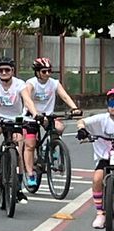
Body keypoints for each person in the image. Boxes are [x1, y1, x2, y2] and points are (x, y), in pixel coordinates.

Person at [0, 55, 37, 194]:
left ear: (12, 70)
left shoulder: (20, 84)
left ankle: (18, 184)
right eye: (1, 70)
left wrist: (36, 114)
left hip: (15, 119)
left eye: (7, 70)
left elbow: (27, 100)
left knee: (18, 148)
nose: (4, 73)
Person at [23, 57, 78, 192]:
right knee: (30, 145)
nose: (47, 74)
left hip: (48, 116)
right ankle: (30, 175)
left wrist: (74, 108)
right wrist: (36, 113)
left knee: (59, 127)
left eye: (49, 71)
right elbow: (27, 99)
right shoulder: (30, 83)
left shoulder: (54, 83)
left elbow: (64, 96)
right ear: (37, 72)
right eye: (44, 71)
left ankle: (52, 148)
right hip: (32, 116)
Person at [75, 90, 114, 229]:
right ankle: (100, 213)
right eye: (111, 102)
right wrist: (82, 130)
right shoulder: (101, 119)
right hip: (105, 158)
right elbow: (81, 121)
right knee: (97, 178)